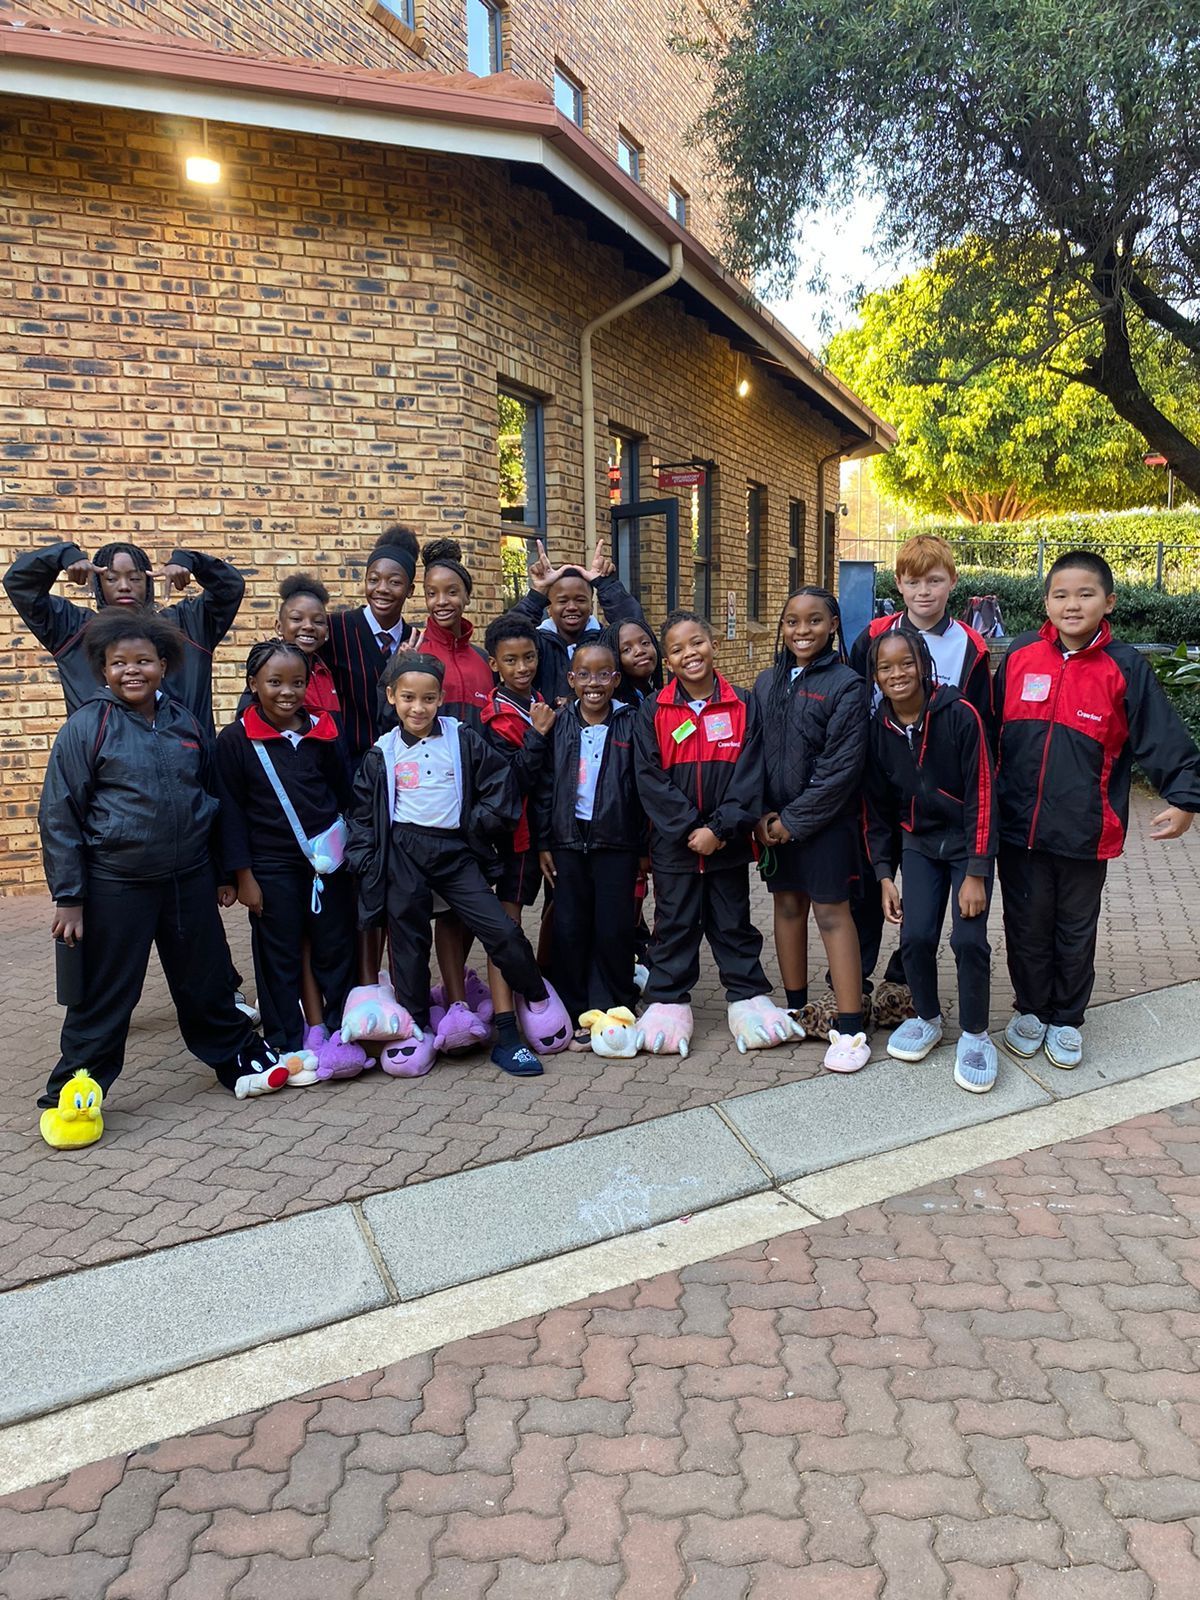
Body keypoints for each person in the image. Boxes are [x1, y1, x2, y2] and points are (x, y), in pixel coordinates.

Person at [36, 611, 283, 1144]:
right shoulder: (87, 727)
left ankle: (236, 1057)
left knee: (207, 980)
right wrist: (69, 897)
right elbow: (59, 815)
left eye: (143, 661)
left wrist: (221, 872)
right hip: (115, 884)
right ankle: (75, 1090)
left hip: (188, 879)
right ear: (103, 671)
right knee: (105, 993)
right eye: (119, 663)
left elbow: (210, 799)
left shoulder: (185, 723)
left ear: (164, 666)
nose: (132, 671)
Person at [995, 550, 1200, 1070]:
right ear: (1046, 602)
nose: (1072, 604)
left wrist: (1184, 797)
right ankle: (1031, 1010)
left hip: (1087, 830)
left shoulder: (1125, 666)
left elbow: (1162, 736)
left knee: (1074, 929)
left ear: (1108, 602)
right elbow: (984, 732)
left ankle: (1067, 1019)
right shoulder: (1020, 655)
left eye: (1085, 594)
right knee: (1025, 925)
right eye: (1061, 594)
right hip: (1017, 828)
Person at [346, 651, 571, 1078]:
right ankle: (415, 1026)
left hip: (454, 850)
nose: (418, 708)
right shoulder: (382, 753)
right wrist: (368, 861)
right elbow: (361, 816)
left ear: (441, 698)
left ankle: (535, 995)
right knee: (408, 943)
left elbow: (500, 785)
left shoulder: (461, 737)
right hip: (403, 852)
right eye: (408, 698)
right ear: (392, 696)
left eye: (428, 698)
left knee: (501, 929)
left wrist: (474, 825)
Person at [632, 611, 801, 1057]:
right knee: (674, 923)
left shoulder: (744, 705)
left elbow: (751, 774)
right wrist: (690, 828)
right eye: (677, 649)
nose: (689, 654)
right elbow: (649, 779)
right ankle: (667, 999)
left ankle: (747, 996)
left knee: (732, 921)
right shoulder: (653, 710)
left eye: (697, 643)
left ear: (714, 645)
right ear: (667, 660)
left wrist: (720, 829)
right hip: (675, 846)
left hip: (727, 844)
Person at [848, 534, 993, 1029]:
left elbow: (983, 727)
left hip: (950, 802)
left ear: (952, 582)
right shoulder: (874, 635)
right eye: (914, 582)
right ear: (899, 584)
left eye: (935, 581)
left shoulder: (970, 646)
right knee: (876, 892)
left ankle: (910, 991)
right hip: (888, 788)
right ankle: (853, 986)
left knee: (940, 926)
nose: (924, 592)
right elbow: (854, 703)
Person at [216, 641, 361, 1083]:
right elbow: (230, 812)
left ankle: (340, 1028)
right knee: (278, 951)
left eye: (297, 682)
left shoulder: (325, 729)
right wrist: (242, 876)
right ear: (253, 684)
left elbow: (343, 792)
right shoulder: (236, 740)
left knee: (335, 944)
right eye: (275, 682)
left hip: (327, 862)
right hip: (270, 865)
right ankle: (286, 1039)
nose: (287, 692)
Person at [864, 631, 999, 1092]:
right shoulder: (878, 728)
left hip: (965, 843)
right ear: (875, 675)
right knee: (916, 937)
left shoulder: (959, 714)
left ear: (923, 664)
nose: (897, 674)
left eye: (906, 663)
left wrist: (977, 871)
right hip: (918, 844)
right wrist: (885, 875)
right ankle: (927, 1018)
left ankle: (976, 1034)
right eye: (885, 667)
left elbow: (983, 793)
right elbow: (877, 809)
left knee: (968, 940)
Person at [753, 587, 870, 1073]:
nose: (802, 630)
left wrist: (793, 821)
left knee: (831, 913)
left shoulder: (847, 684)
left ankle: (851, 1027)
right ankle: (797, 1010)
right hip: (774, 824)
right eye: (792, 621)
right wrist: (762, 815)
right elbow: (752, 753)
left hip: (826, 825)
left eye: (814, 620)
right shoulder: (766, 682)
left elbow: (841, 768)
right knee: (787, 906)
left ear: (833, 625)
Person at [4, 537, 245, 730]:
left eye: (134, 578)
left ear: (148, 581)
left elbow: (230, 588)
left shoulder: (187, 624)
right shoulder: (72, 628)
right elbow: (20, 585)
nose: (124, 586)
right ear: (98, 584)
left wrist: (193, 562)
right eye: (111, 578)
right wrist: (61, 555)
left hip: (190, 767)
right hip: (104, 770)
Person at [536, 638, 644, 1047]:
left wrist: (643, 847)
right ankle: (574, 1005)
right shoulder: (559, 722)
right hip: (567, 840)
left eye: (603, 674)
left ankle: (614, 1004)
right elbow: (545, 785)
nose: (593, 683)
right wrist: (544, 841)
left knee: (613, 927)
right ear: (571, 679)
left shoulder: (632, 722)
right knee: (569, 926)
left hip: (616, 840)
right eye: (584, 674)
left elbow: (643, 787)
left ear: (616, 679)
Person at [323, 529, 422, 767]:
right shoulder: (335, 629)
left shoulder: (416, 642)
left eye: (394, 582)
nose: (382, 589)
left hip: (402, 765)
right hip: (347, 767)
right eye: (374, 579)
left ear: (410, 590)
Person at [480, 612, 556, 920]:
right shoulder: (498, 716)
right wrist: (537, 734)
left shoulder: (536, 699)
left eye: (529, 657)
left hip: (544, 820)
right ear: (494, 664)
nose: (522, 667)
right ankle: (506, 955)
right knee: (512, 901)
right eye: (511, 660)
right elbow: (513, 779)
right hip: (519, 828)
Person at [512, 538, 648, 706]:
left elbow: (635, 626)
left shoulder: (605, 641)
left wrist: (606, 585)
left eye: (580, 600)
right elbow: (507, 636)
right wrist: (537, 594)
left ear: (591, 607)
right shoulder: (538, 643)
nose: (571, 607)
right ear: (549, 608)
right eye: (562, 601)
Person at [409, 539, 494, 721]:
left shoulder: (484, 660)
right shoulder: (413, 654)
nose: (441, 601)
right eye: (432, 594)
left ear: (467, 596)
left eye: (452, 592)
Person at [602, 616, 664, 707]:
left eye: (645, 643)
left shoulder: (658, 696)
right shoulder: (614, 708)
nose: (640, 651)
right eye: (627, 649)